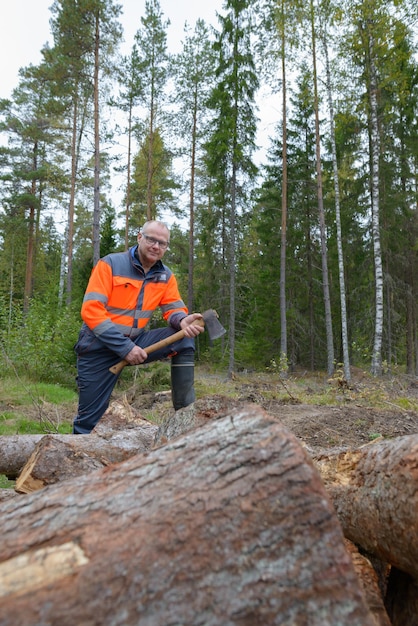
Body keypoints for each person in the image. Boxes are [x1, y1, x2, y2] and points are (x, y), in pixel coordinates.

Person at [72, 220, 204, 434]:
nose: (156, 246)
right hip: (98, 347)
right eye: (151, 239)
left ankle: (185, 419)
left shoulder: (165, 276)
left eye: (162, 243)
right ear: (139, 237)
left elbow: (173, 308)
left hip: (136, 342)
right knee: (89, 422)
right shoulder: (110, 264)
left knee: (184, 335)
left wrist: (182, 320)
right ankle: (79, 461)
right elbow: (91, 311)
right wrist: (125, 348)